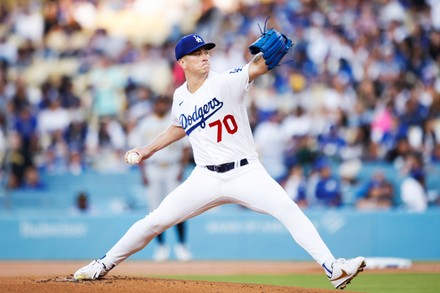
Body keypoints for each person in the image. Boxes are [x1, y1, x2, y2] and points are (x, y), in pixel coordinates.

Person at [73, 33, 365, 289]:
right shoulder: (179, 97)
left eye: (206, 52)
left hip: (246, 172)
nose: (204, 57)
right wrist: (148, 149)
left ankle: (333, 268)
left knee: (288, 209)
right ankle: (102, 264)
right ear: (182, 63)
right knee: (154, 222)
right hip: (205, 178)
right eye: (197, 54)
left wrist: (270, 56)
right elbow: (179, 126)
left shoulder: (226, 81)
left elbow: (257, 67)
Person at [134, 95, 192, 262]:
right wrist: (143, 173)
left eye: (164, 103)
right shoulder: (145, 123)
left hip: (172, 167)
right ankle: (161, 247)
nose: (161, 106)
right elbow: (139, 149)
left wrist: (181, 169)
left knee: (178, 208)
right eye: (159, 103)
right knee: (155, 210)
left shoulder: (175, 120)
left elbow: (185, 148)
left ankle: (181, 245)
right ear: (154, 105)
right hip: (153, 168)